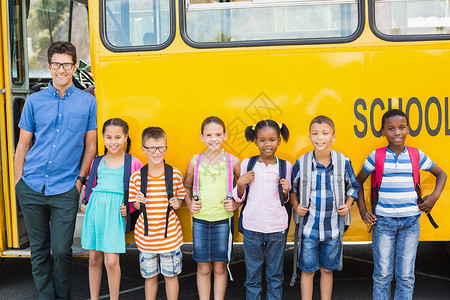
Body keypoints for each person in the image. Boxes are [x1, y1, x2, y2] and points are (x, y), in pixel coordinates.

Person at [14, 41, 97, 300]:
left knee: (62, 250)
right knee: (39, 249)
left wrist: (80, 182)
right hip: (32, 185)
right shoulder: (34, 101)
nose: (62, 70)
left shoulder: (87, 102)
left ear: (74, 66)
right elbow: (23, 145)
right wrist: (19, 183)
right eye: (57, 64)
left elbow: (91, 147)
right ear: (49, 66)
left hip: (66, 188)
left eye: (68, 64)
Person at [356, 109, 447, 300]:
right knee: (382, 275)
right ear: (383, 132)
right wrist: (363, 210)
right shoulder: (376, 156)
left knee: (406, 275)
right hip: (383, 223)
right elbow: (357, 182)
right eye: (391, 129)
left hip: (410, 223)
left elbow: (442, 174)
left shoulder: (416, 155)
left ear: (408, 129)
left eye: (401, 128)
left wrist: (434, 196)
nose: (397, 133)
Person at [290, 115, 359, 300]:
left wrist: (348, 204)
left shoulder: (343, 162)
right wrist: (296, 205)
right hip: (309, 228)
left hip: (333, 228)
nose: (320, 138)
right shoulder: (302, 162)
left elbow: (354, 186)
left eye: (325, 133)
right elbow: (292, 188)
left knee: (327, 270)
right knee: (307, 270)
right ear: (310, 137)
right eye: (315, 134)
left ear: (333, 137)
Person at [80, 118, 143, 300]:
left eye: (117, 137)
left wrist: (130, 208)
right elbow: (92, 185)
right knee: (93, 259)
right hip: (95, 210)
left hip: (115, 213)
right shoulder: (97, 161)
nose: (113, 142)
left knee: (112, 261)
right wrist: (86, 202)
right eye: (108, 137)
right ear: (103, 138)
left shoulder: (133, 162)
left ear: (125, 137)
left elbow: (140, 192)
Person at [233, 119, 292, 300]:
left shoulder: (285, 166)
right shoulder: (248, 164)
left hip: (277, 227)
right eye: (262, 140)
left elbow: (287, 199)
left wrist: (286, 191)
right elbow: (239, 197)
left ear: (279, 140)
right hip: (252, 227)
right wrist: (240, 184)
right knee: (253, 276)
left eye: (272, 139)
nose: (268, 144)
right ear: (256, 141)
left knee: (275, 275)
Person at [184, 116, 241, 300]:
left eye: (218, 134)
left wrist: (237, 203)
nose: (213, 139)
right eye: (209, 135)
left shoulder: (233, 161)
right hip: (201, 221)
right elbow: (186, 185)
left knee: (219, 266)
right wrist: (189, 202)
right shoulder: (195, 161)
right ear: (202, 137)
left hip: (224, 221)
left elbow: (244, 188)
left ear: (225, 135)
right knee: (203, 267)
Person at [128, 127, 186, 300]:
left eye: (161, 147)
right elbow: (137, 206)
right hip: (146, 238)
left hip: (170, 237)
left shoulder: (174, 174)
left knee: (171, 276)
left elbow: (180, 199)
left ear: (166, 148)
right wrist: (138, 200)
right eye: (152, 148)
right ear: (143, 149)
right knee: (150, 277)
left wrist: (177, 202)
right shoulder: (137, 177)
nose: (157, 152)